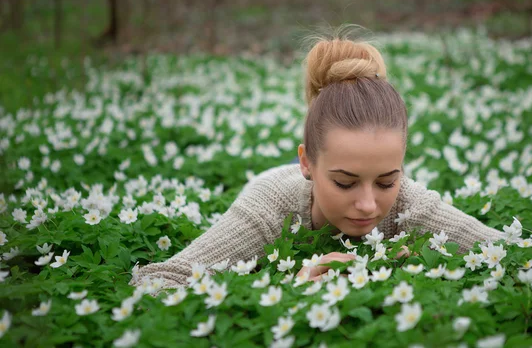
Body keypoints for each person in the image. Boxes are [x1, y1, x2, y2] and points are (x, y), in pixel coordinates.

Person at [130, 26, 503, 290]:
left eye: (387, 180)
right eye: (345, 181)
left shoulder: (408, 204)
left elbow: (512, 253)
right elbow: (155, 281)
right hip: (273, 182)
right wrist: (290, 285)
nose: (369, 205)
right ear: (306, 162)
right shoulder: (269, 209)